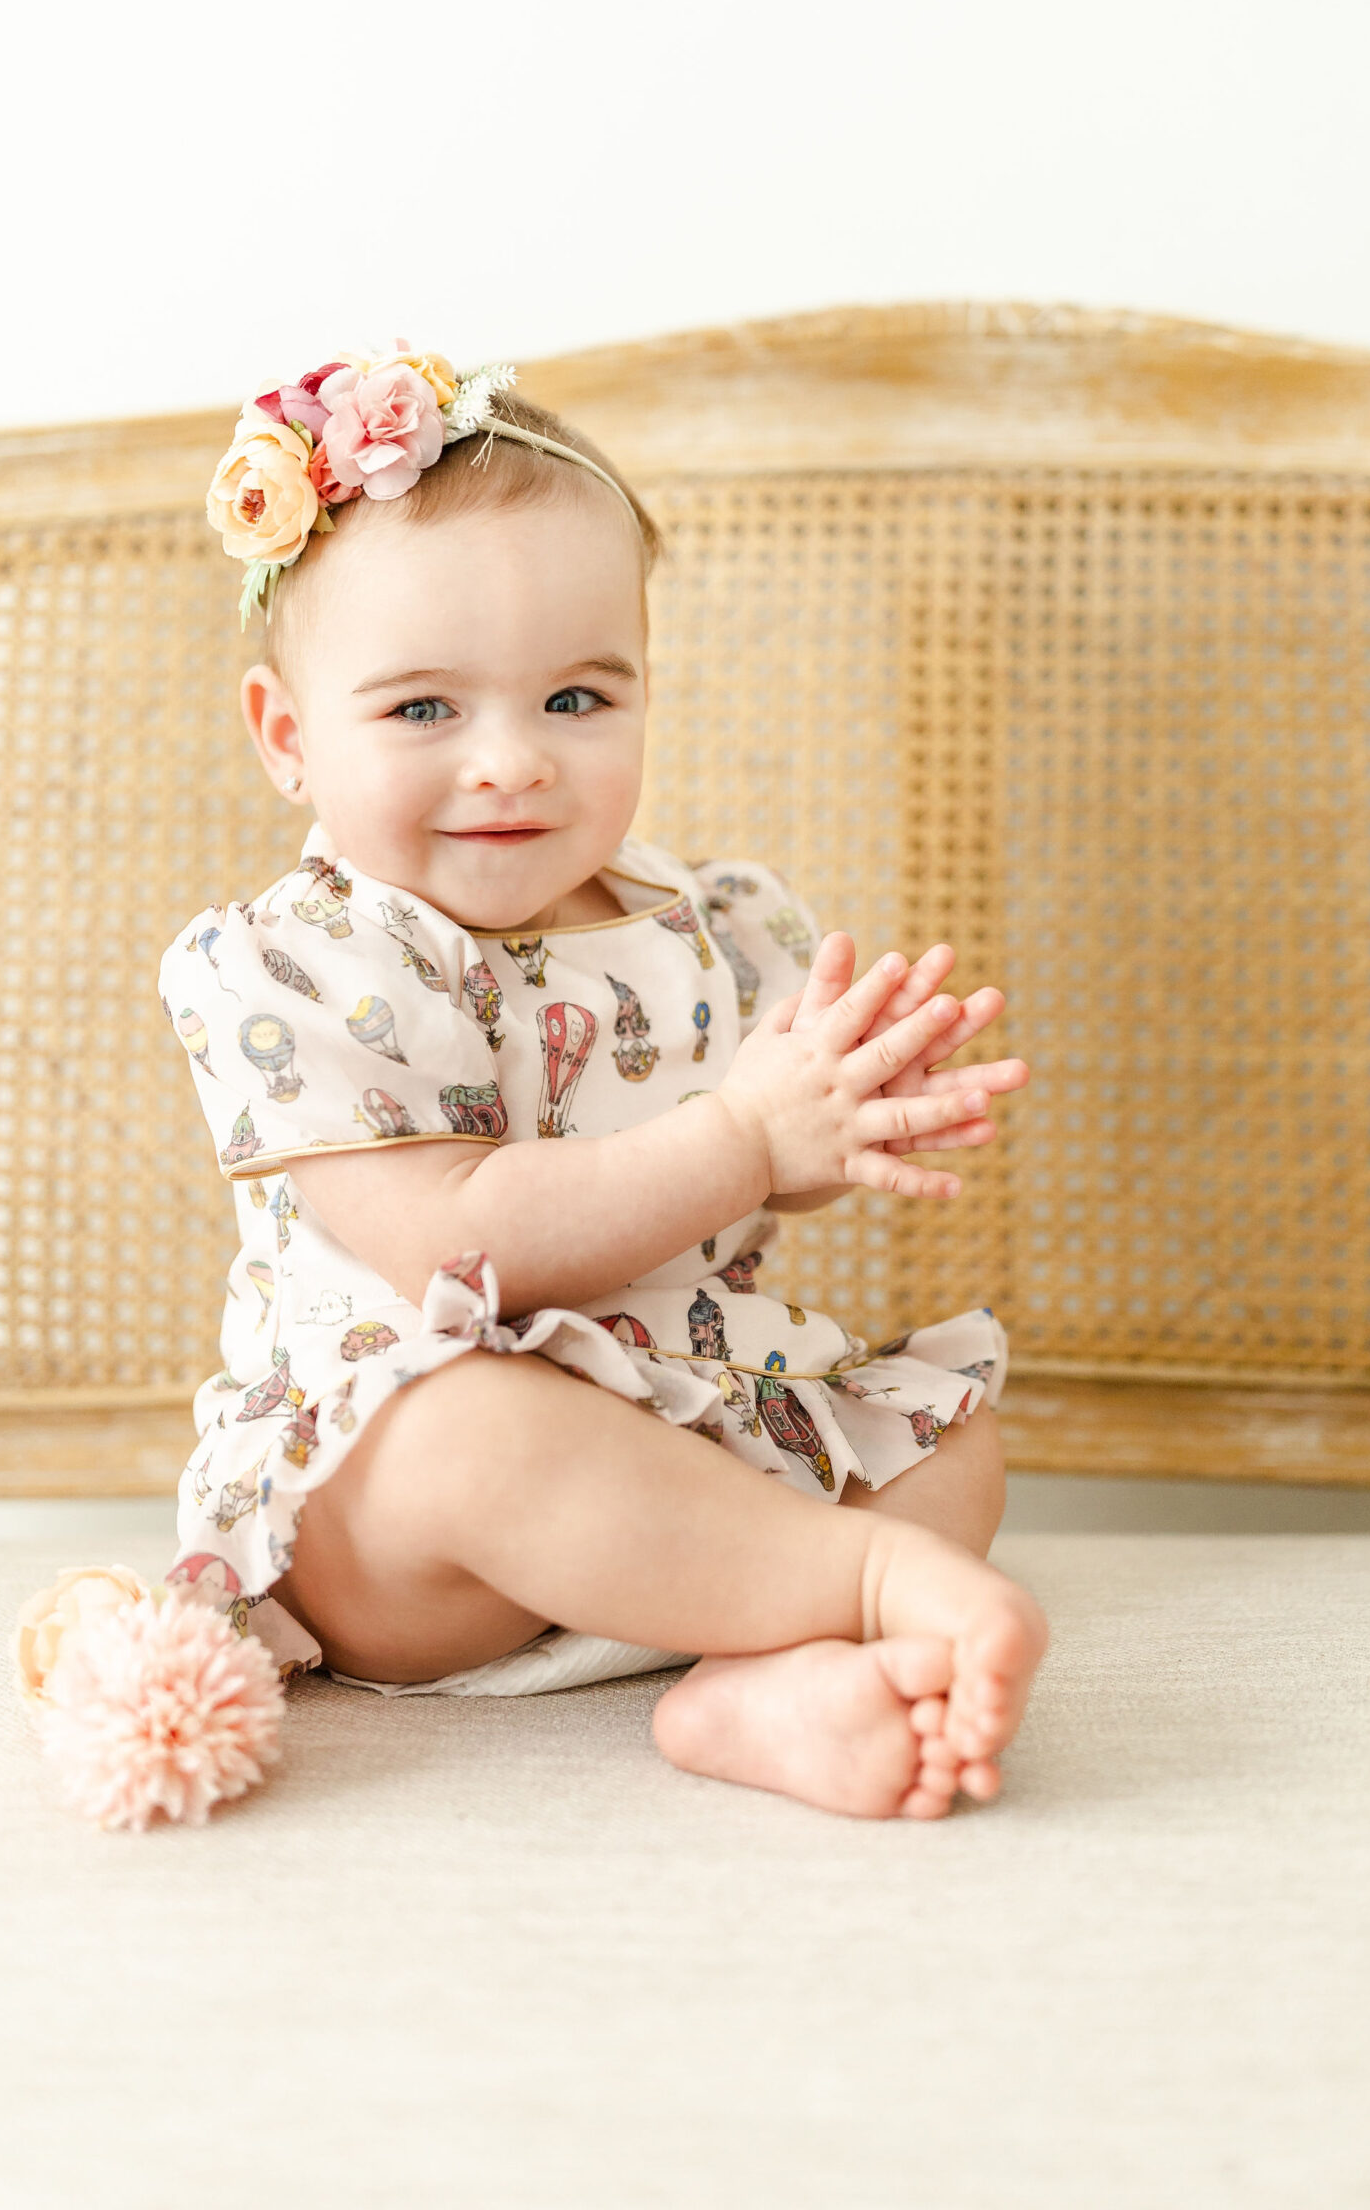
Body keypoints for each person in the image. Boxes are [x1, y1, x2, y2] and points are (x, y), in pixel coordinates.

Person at [159, 343, 1045, 1821]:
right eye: (425, 711)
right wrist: (750, 1139)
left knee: (954, 1438)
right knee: (470, 1433)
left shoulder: (704, 920)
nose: (510, 763)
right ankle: (864, 1587)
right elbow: (462, 1241)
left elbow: (755, 1148)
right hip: (417, 1536)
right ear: (288, 736)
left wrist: (827, 1120)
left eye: (577, 699)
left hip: (685, 1443)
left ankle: (754, 1683)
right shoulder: (300, 964)